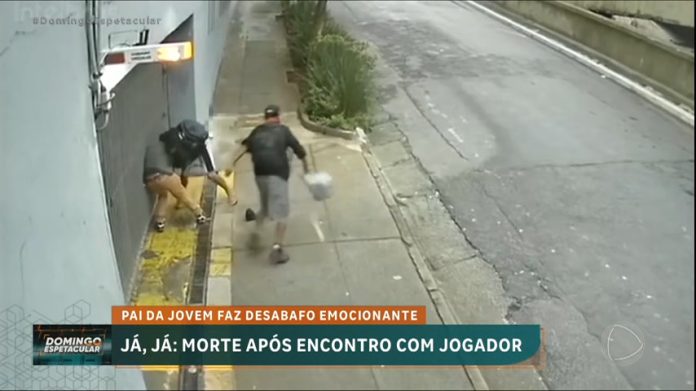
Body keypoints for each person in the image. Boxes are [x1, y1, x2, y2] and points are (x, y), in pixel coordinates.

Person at [231, 104, 309, 264]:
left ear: (265, 118)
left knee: (266, 207)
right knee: (283, 213)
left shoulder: (258, 130)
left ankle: (256, 233)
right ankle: (277, 249)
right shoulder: (284, 130)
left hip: (260, 174)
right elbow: (300, 151)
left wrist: (230, 164)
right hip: (277, 174)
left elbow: (243, 148)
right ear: (278, 117)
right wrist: (307, 171)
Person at [143, 119, 234, 232]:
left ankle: (159, 222)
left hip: (149, 179)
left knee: (163, 195)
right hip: (164, 175)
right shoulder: (179, 150)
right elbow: (180, 168)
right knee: (183, 194)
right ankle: (199, 214)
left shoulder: (162, 143)